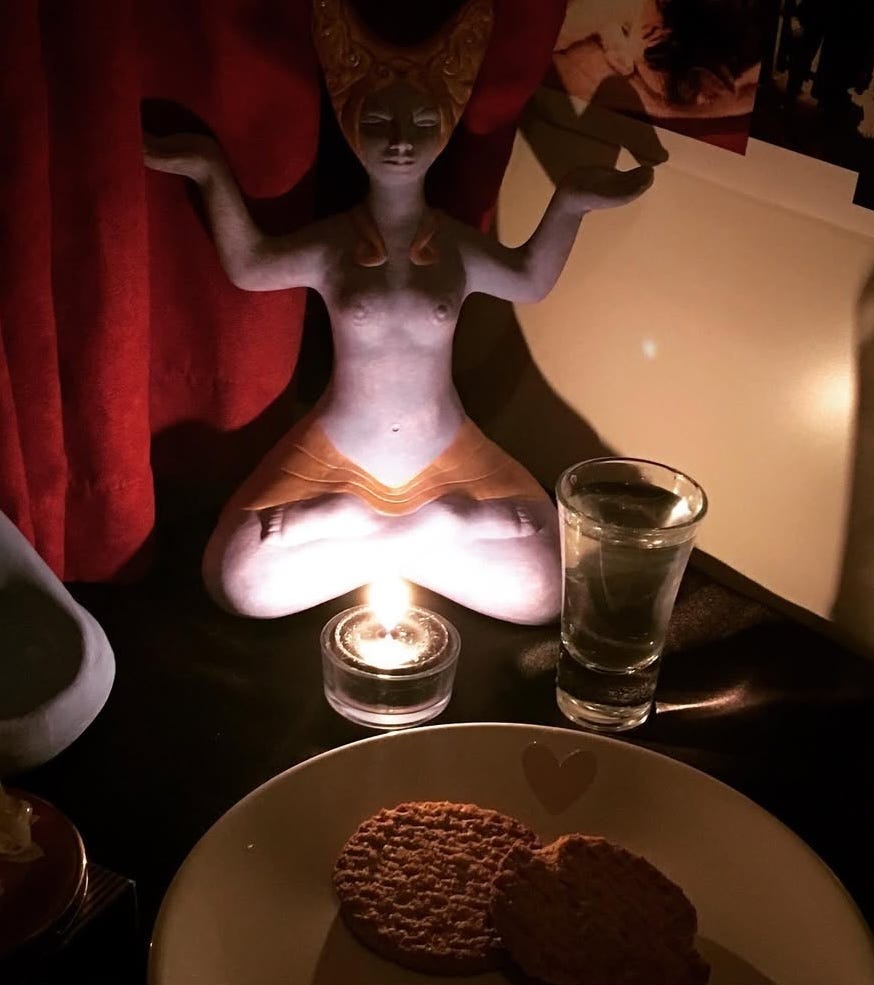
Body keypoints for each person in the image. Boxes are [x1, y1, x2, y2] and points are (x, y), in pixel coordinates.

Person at [143, 0, 653, 623]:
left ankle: (408, 532)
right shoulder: (335, 242)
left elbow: (527, 280)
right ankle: (395, 529)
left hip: (449, 456)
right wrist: (208, 168)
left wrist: (570, 202)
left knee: (547, 593)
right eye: (380, 120)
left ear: (446, 125)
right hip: (334, 458)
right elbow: (253, 266)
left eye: (422, 123)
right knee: (239, 582)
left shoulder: (454, 245)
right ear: (352, 123)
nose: (402, 143)